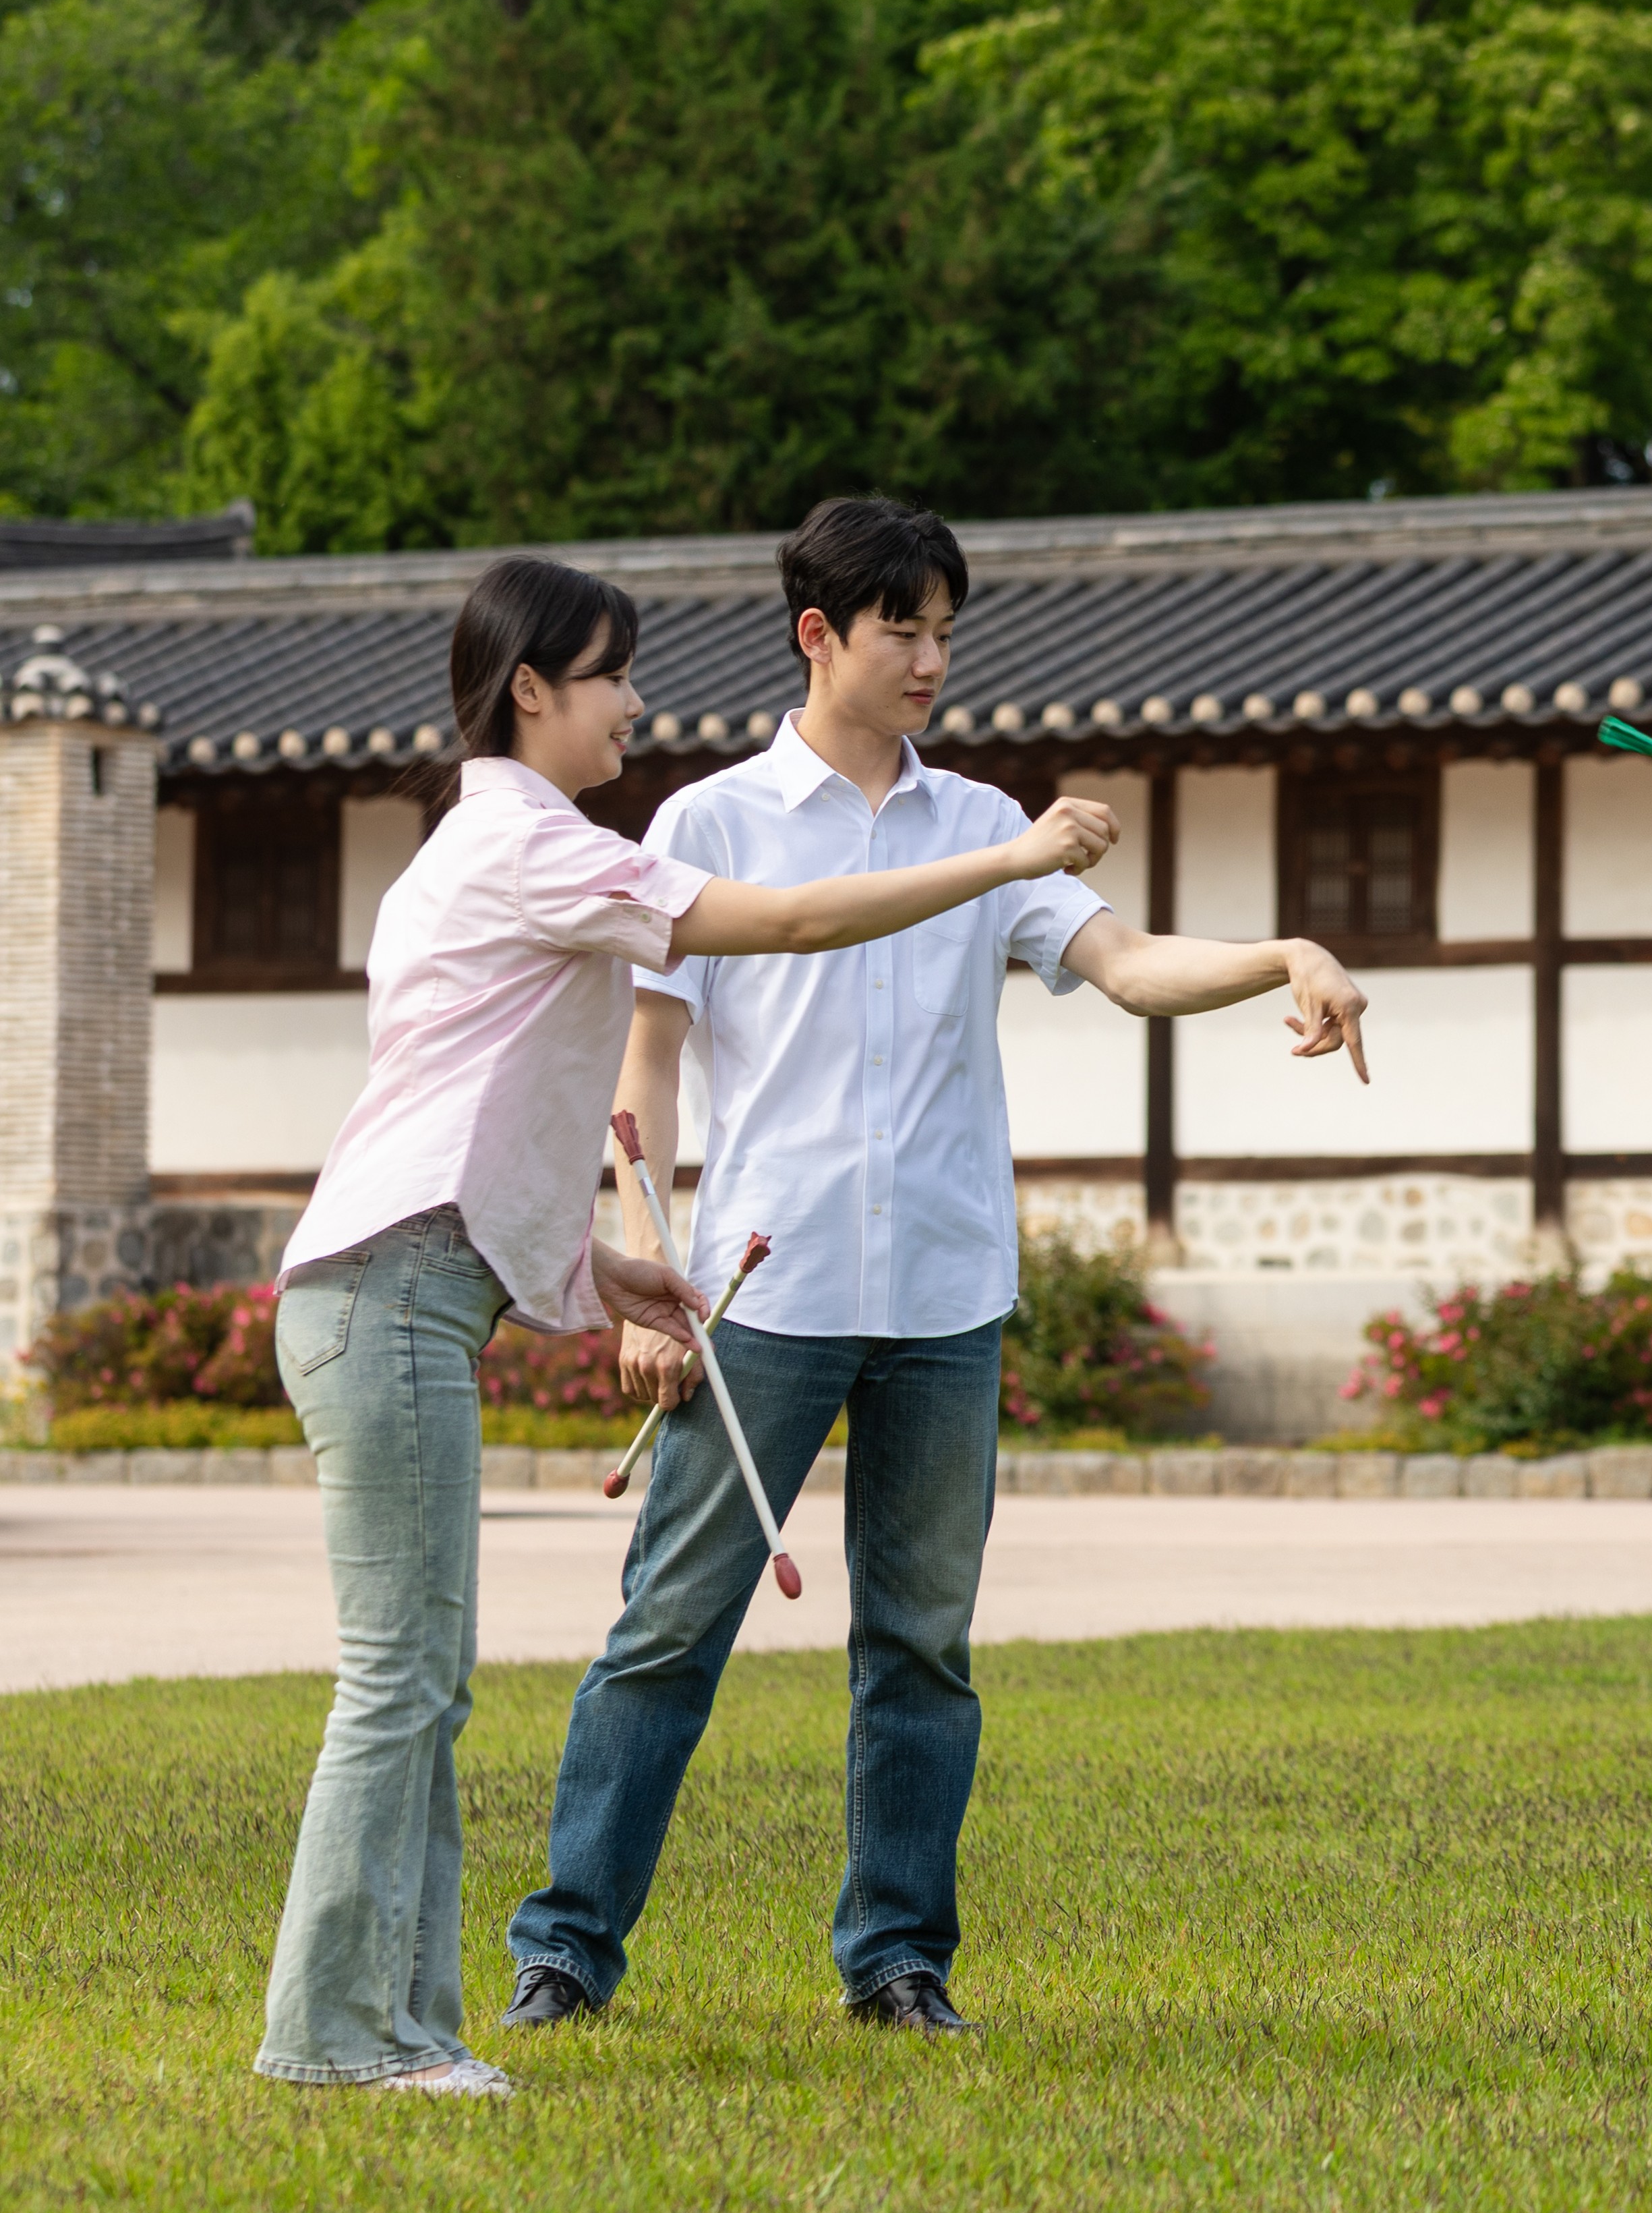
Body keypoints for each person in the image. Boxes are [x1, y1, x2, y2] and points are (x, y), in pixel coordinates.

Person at [504, 496, 1369, 2039]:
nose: (931, 657)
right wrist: (651, 1255)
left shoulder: (990, 821)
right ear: (819, 633)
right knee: (667, 1626)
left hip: (948, 1295)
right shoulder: (708, 824)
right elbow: (653, 1050)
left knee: (921, 1645)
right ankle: (566, 1951)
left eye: (948, 629)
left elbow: (1128, 966)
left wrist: (1283, 956)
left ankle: (897, 1960)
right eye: (903, 625)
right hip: (761, 1290)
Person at [258, 556, 1119, 2100]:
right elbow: (778, 923)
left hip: (407, 1285)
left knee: (425, 1680)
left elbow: (467, 1119)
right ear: (533, 689)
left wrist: (606, 1273)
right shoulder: (539, 843)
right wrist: (1007, 864)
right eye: (610, 677)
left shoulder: (492, 848)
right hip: (386, 1297)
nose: (635, 704)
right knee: (402, 1682)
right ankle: (333, 2033)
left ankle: (406, 2028)